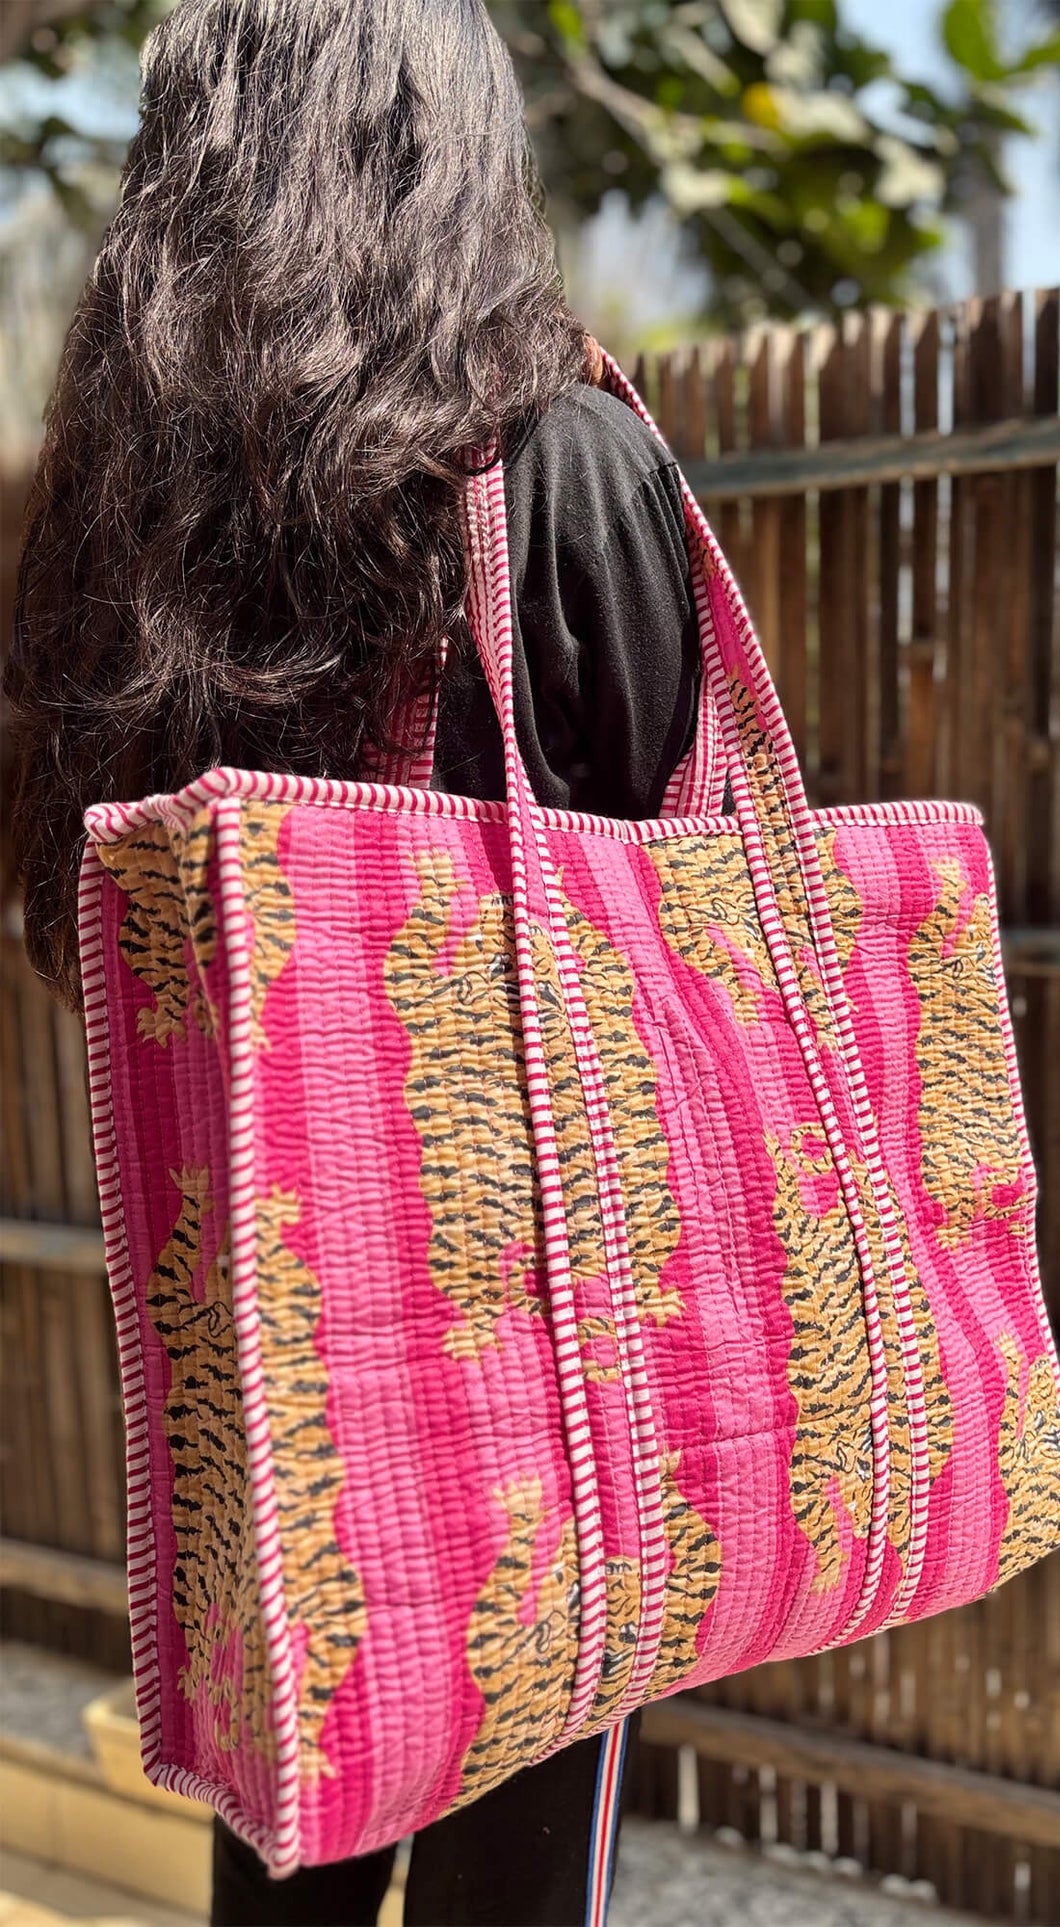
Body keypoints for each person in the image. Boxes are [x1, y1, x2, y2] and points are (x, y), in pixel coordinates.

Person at [4, 3, 700, 1922]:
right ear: (451, 150)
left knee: (279, 1881)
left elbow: (74, 915)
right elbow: (675, 929)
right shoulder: (562, 461)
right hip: (538, 1384)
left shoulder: (133, 524)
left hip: (258, 1359)